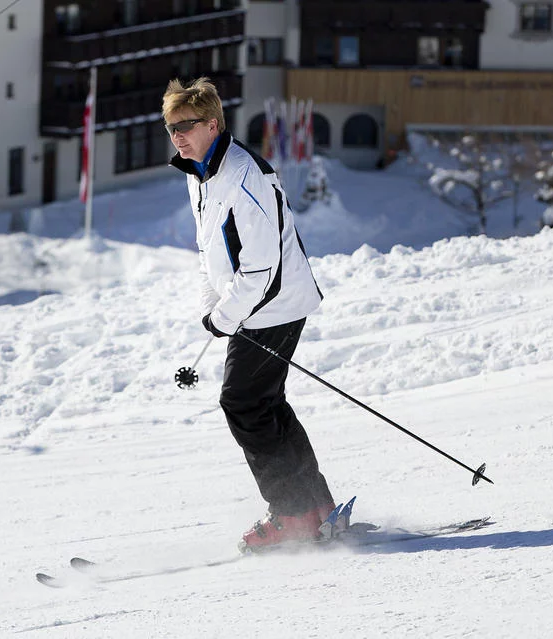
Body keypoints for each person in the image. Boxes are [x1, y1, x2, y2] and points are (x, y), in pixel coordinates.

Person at [162, 77, 337, 550]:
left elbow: (263, 265)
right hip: (248, 307)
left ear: (213, 123)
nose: (177, 135)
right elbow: (210, 253)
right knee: (264, 402)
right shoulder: (198, 173)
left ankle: (293, 515)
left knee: (243, 403)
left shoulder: (244, 173)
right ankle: (316, 508)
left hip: (272, 303)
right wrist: (212, 306)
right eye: (171, 126)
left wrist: (226, 317)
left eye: (187, 125)